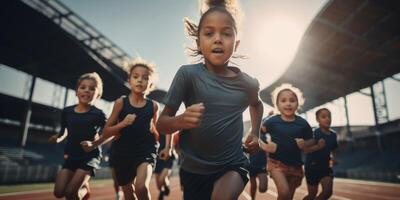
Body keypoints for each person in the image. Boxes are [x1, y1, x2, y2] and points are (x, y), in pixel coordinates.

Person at [156, 0, 264, 199]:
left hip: (232, 165)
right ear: (198, 42)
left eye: (226, 33)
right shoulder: (187, 75)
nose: (218, 39)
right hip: (192, 170)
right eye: (209, 33)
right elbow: (161, 124)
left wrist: (255, 133)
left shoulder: (248, 84)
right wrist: (180, 121)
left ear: (236, 43)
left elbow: (256, 104)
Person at [81, 58, 160, 200]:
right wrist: (122, 124)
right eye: (135, 77)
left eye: (145, 78)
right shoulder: (120, 103)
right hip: (122, 152)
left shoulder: (154, 106)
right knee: (129, 195)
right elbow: (107, 131)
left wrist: (165, 145)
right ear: (129, 80)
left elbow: (157, 129)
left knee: (141, 187)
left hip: (145, 150)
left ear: (150, 84)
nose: (140, 80)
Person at [49, 72, 106, 200]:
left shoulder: (98, 114)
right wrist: (58, 138)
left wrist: (94, 144)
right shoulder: (67, 111)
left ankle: (84, 190)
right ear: (76, 91)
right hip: (72, 156)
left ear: (98, 95)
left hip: (90, 157)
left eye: (92, 89)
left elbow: (111, 133)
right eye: (83, 87)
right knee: (58, 192)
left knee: (70, 194)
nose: (87, 91)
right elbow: (64, 131)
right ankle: (85, 187)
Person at [259, 83, 314, 200]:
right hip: (276, 163)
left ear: (297, 104)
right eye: (283, 100)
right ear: (277, 105)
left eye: (292, 100)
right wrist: (265, 146)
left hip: (296, 166)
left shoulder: (302, 123)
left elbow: (312, 140)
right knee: (284, 192)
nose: (288, 103)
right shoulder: (272, 121)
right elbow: (257, 133)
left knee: (287, 197)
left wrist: (305, 143)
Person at [303, 108, 338, 200]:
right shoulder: (314, 133)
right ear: (317, 120)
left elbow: (333, 149)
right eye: (323, 117)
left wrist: (333, 158)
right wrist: (318, 146)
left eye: (329, 117)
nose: (327, 119)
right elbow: (306, 150)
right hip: (312, 168)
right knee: (312, 195)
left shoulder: (333, 135)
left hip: (325, 168)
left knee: (327, 192)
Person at [154, 132, 176, 200]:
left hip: (168, 157)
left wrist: (170, 148)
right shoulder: (153, 127)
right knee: (158, 185)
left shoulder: (167, 126)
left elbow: (171, 131)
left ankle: (165, 189)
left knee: (161, 179)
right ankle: (163, 189)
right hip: (157, 158)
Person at [248, 133, 268, 200]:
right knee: (253, 185)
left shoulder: (266, 136)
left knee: (263, 188)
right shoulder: (250, 135)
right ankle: (252, 199)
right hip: (251, 164)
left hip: (261, 164)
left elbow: (268, 149)